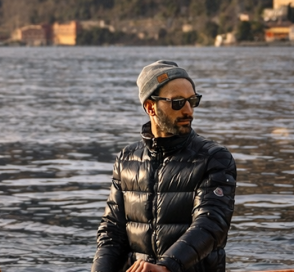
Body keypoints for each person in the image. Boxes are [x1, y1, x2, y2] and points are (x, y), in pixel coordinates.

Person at [91, 60, 236, 272]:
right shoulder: (127, 160)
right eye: (178, 102)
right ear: (150, 107)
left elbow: (211, 225)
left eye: (192, 101)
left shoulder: (214, 159)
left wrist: (166, 267)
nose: (188, 111)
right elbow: (112, 233)